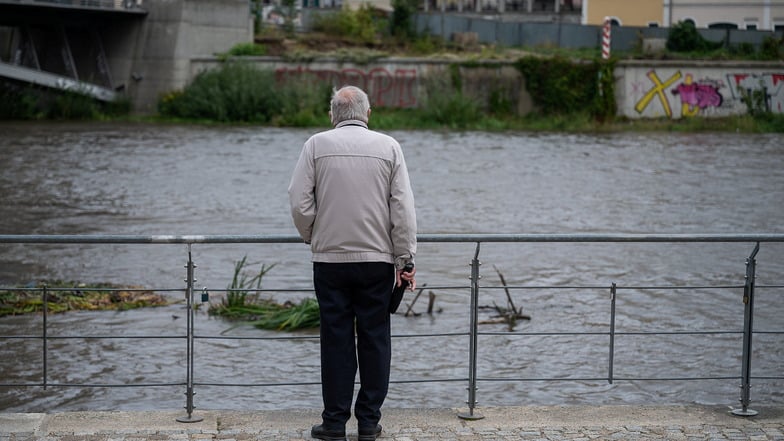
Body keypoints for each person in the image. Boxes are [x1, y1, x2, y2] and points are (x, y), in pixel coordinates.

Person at [288, 85, 417, 441]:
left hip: (330, 260)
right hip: (377, 261)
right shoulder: (390, 147)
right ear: (368, 114)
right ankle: (368, 421)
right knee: (375, 338)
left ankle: (333, 423)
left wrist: (313, 234)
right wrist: (405, 258)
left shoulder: (315, 145)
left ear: (333, 115)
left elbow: (299, 202)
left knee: (336, 339)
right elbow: (402, 209)